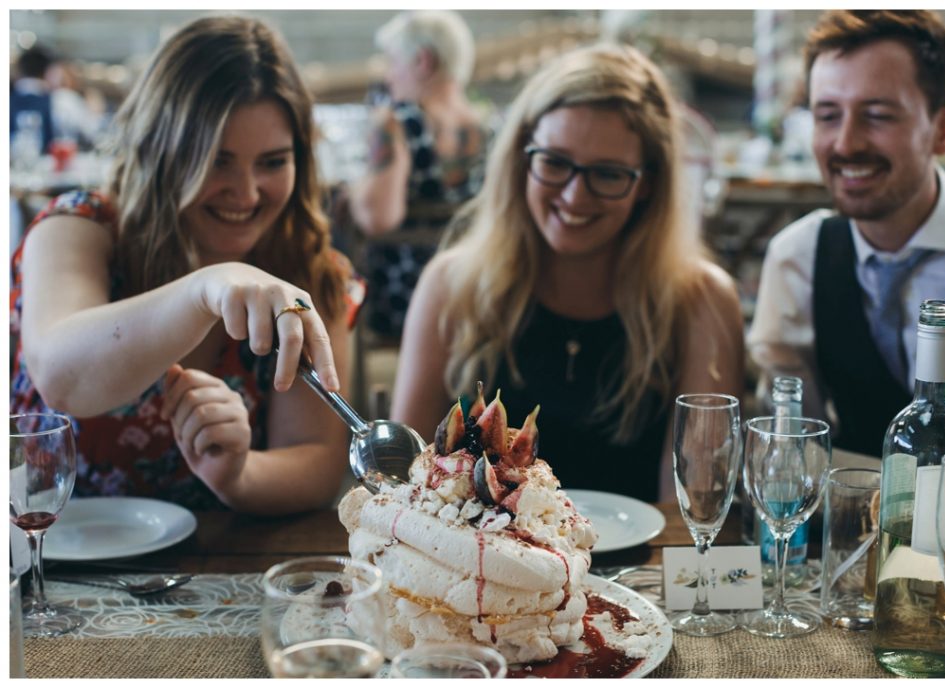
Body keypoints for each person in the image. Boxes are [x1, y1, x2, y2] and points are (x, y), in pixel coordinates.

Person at [10, 15, 361, 515]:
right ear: (160, 148)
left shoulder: (309, 268)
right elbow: (61, 379)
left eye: (273, 161)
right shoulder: (79, 225)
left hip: (212, 567)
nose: (246, 192)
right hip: (47, 558)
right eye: (217, 160)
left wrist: (238, 473)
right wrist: (206, 289)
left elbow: (318, 463)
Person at [391, 44, 745, 502]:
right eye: (555, 163)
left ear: (649, 183)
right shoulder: (451, 285)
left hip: (639, 572)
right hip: (479, 568)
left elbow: (696, 507)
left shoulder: (703, 301)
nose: (576, 197)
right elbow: (406, 480)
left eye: (609, 173)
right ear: (522, 160)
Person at [748, 10, 945, 456]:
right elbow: (790, 453)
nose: (846, 143)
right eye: (827, 115)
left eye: (877, 115)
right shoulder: (797, 257)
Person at [348, 9, 488, 339]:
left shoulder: (400, 121)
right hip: (476, 295)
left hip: (409, 302)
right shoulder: (487, 127)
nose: (389, 74)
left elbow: (377, 218)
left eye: (393, 61)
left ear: (422, 61)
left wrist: (353, 191)